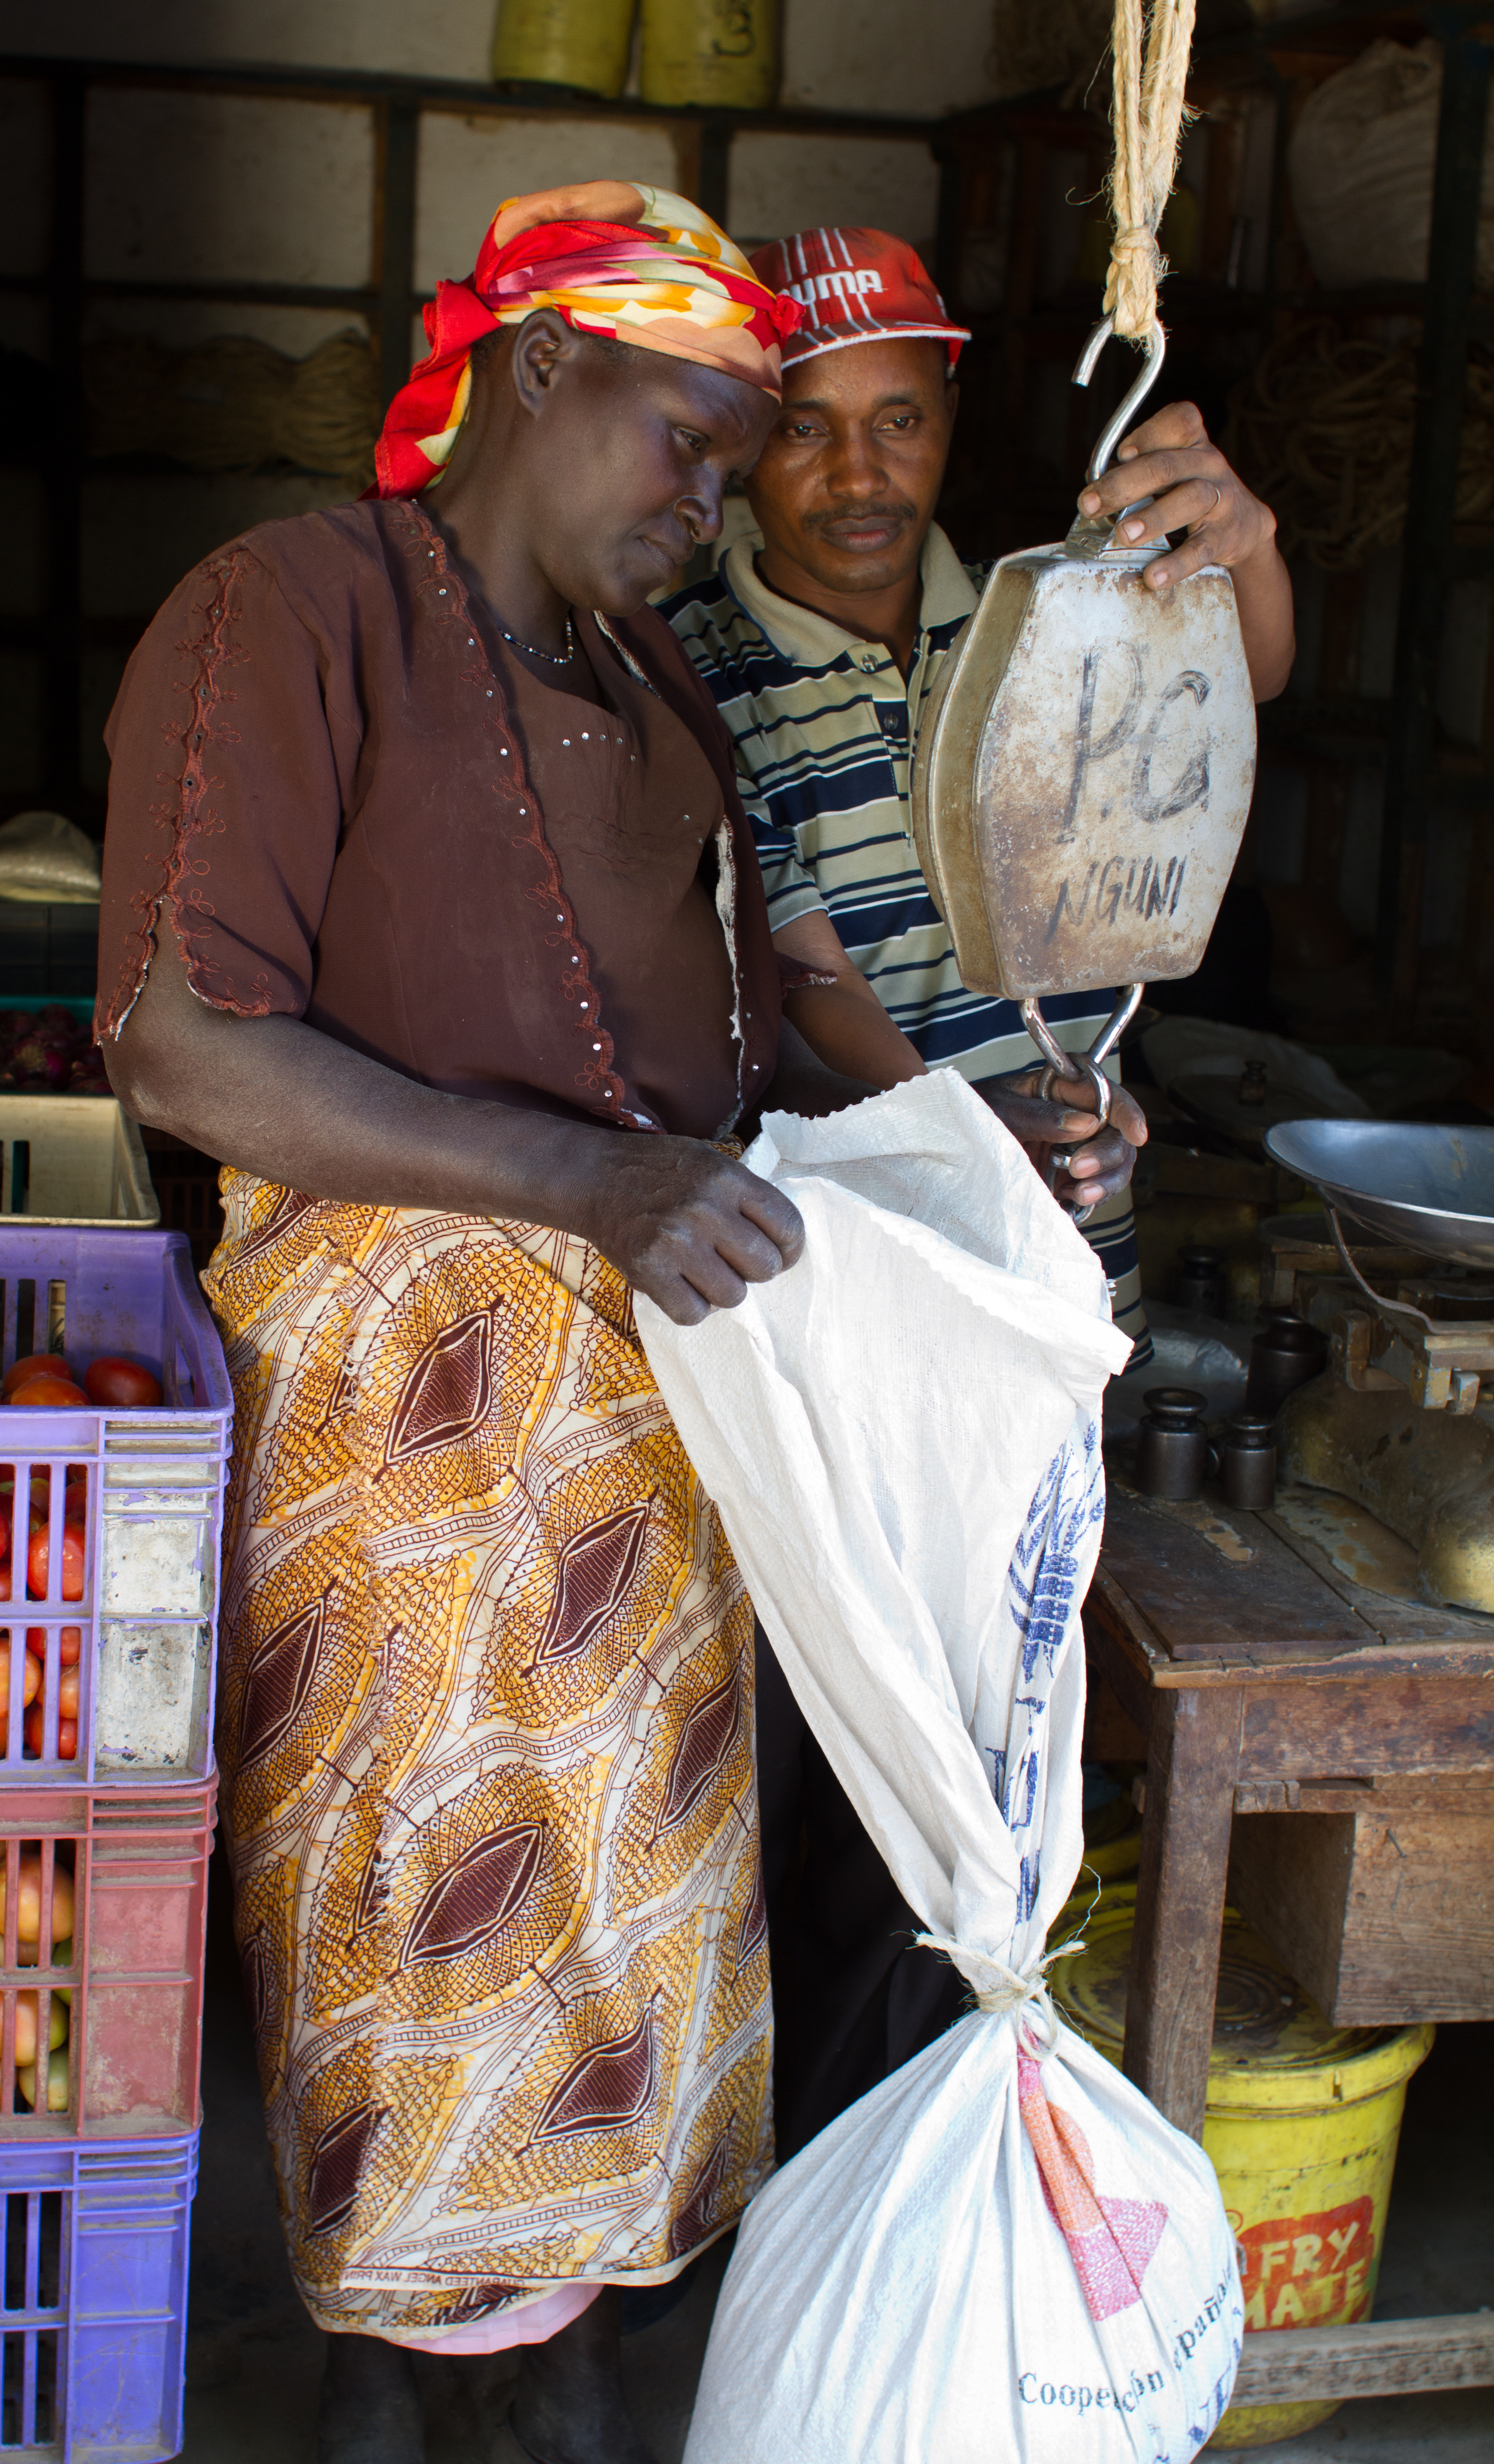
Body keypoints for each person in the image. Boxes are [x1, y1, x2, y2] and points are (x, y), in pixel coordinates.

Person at [97, 183, 867, 2464]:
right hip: (408, 1485)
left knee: (616, 2065)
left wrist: (997, 1139)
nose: (708, 502)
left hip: (646, 1494)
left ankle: (553, 2382)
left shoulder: (658, 697)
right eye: (686, 442)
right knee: (420, 2048)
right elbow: (183, 1041)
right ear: (543, 366)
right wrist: (587, 1181)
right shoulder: (295, 609)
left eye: (731, 458)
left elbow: (736, 1059)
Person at [663, 223, 1296, 2159]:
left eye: (903, 423)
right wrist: (968, 1128)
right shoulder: (691, 674)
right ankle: (803, 2203)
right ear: (744, 449)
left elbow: (1226, 694)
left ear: (954, 427)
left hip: (1047, 1319)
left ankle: (940, 2172)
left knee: (998, 1797)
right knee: (814, 1786)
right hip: (839, 1331)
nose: (859, 478)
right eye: (811, 431)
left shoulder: (1051, 617)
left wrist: (1245, 549)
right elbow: (774, 994)